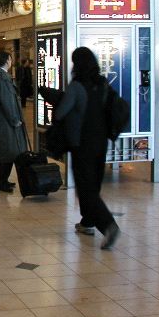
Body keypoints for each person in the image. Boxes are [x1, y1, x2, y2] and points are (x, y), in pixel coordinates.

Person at [53, 46, 120, 249]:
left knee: (85, 188)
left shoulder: (76, 86)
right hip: (101, 142)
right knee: (94, 184)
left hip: (81, 143)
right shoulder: (102, 83)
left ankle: (109, 225)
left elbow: (61, 113)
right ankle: (87, 222)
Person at [0, 52, 26, 193]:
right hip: (5, 122)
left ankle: (2, 180)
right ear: (7, 60)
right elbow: (7, 101)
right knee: (8, 151)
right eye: (10, 59)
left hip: (2, 120)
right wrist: (15, 119)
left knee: (4, 151)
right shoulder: (3, 78)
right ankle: (1, 182)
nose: (11, 61)